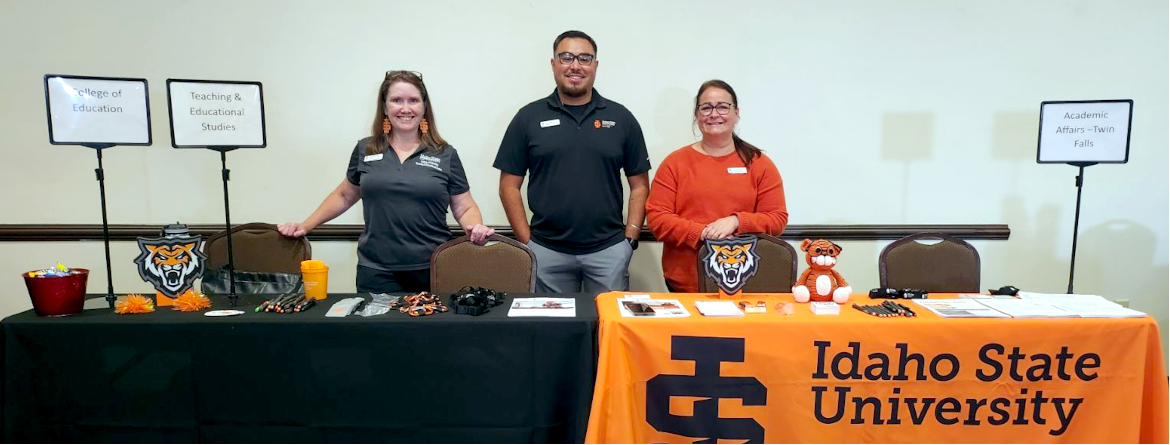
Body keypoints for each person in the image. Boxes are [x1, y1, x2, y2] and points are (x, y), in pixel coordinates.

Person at [279, 70, 494, 293]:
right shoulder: (366, 149)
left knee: (427, 328)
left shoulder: (444, 153)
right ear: (384, 107)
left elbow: (464, 205)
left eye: (413, 100)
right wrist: (305, 225)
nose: (405, 108)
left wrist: (475, 226)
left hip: (432, 267)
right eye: (396, 100)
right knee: (379, 329)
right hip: (376, 270)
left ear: (424, 107)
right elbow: (344, 195)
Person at [494, 30, 651, 293]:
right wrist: (527, 243)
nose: (575, 65)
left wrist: (631, 238)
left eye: (584, 58)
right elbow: (508, 186)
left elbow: (640, 185)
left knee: (607, 330)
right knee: (552, 332)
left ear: (596, 66)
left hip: (609, 251)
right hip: (546, 251)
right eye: (566, 57)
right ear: (553, 63)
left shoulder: (621, 118)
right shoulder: (528, 118)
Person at [645, 80, 788, 293]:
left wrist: (736, 221)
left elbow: (777, 219)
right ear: (697, 115)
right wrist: (702, 232)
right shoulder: (674, 163)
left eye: (723, 106)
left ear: (736, 112)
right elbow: (657, 218)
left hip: (746, 283)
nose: (714, 114)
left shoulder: (759, 164)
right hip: (687, 283)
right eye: (706, 107)